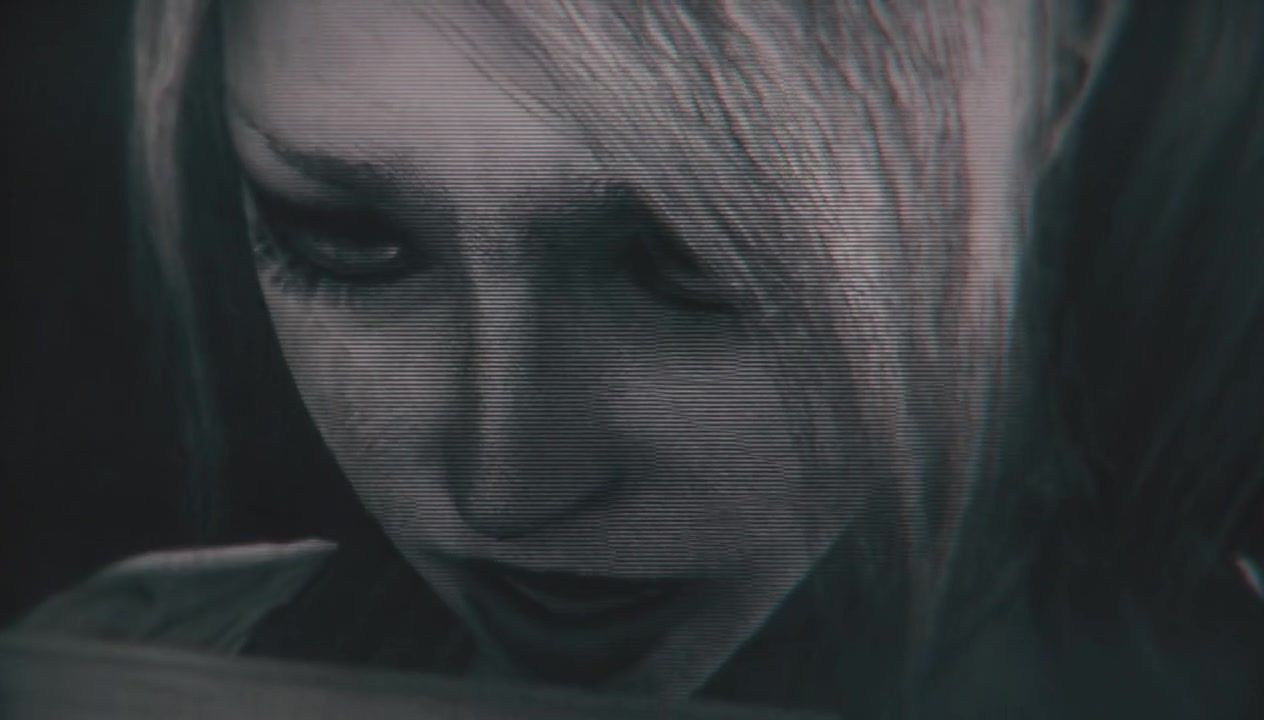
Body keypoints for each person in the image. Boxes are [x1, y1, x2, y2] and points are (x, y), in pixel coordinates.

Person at [6, 0, 1262, 717]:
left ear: (1044, 87)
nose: (504, 487)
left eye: (689, 256)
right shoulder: (131, 660)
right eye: (346, 244)